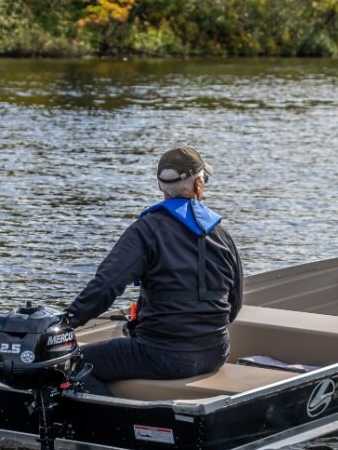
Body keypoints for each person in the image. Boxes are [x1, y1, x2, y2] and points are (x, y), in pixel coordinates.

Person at [63, 146, 243, 396]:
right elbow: (234, 304)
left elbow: (106, 286)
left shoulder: (146, 230)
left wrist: (66, 323)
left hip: (161, 356)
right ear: (199, 184)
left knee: (67, 365)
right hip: (216, 353)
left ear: (161, 187)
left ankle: (118, 418)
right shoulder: (222, 236)